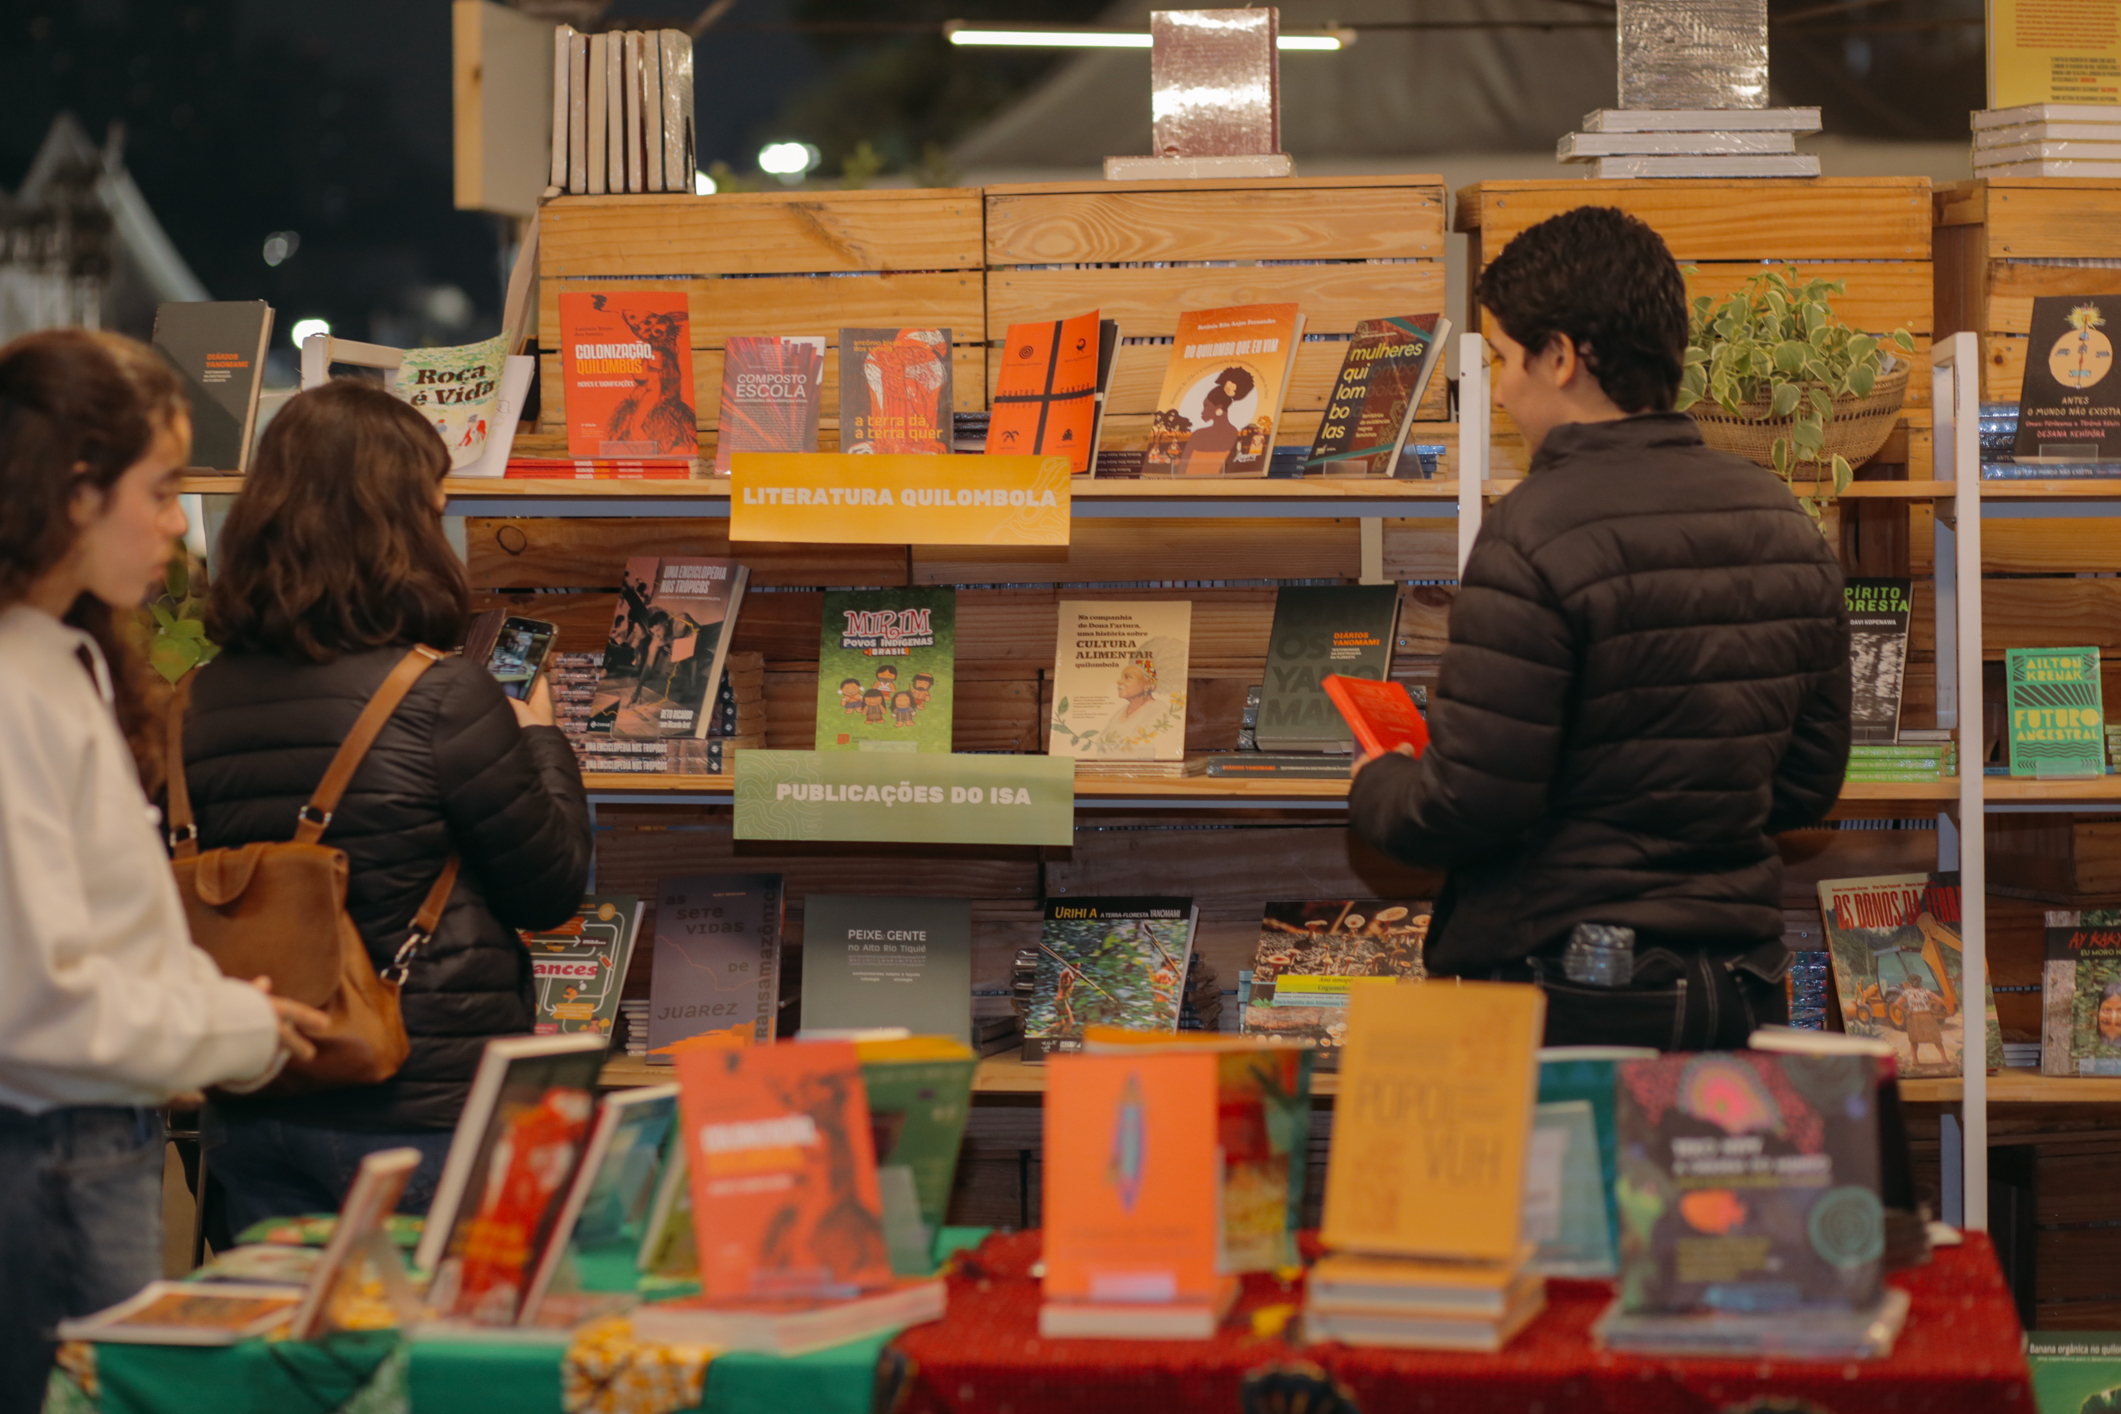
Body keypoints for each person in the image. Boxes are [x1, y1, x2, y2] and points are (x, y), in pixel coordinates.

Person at [1348, 206, 1850, 1050]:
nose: (1502, 388)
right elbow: (1806, 788)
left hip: (1572, 991)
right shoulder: (1782, 517)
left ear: (1562, 357)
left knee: (1570, 1192)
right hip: (1742, 987)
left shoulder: (1534, 530)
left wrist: (1378, 780)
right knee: (1714, 1188)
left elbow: (1467, 805)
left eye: (1506, 358)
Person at [0, 330, 327, 1408]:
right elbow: (38, 1003)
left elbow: (113, 935)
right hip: (51, 1153)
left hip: (94, 1143)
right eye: (161, 487)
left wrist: (223, 1011)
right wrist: (232, 1030)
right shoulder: (15, 685)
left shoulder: (66, 659)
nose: (176, 526)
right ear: (74, 491)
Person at [181, 379, 592, 1235]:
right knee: (439, 1359)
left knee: (289, 1355)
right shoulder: (443, 695)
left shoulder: (191, 700)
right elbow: (551, 891)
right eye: (433, 509)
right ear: (399, 527)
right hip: (421, 1110)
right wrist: (543, 738)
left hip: (251, 1105)